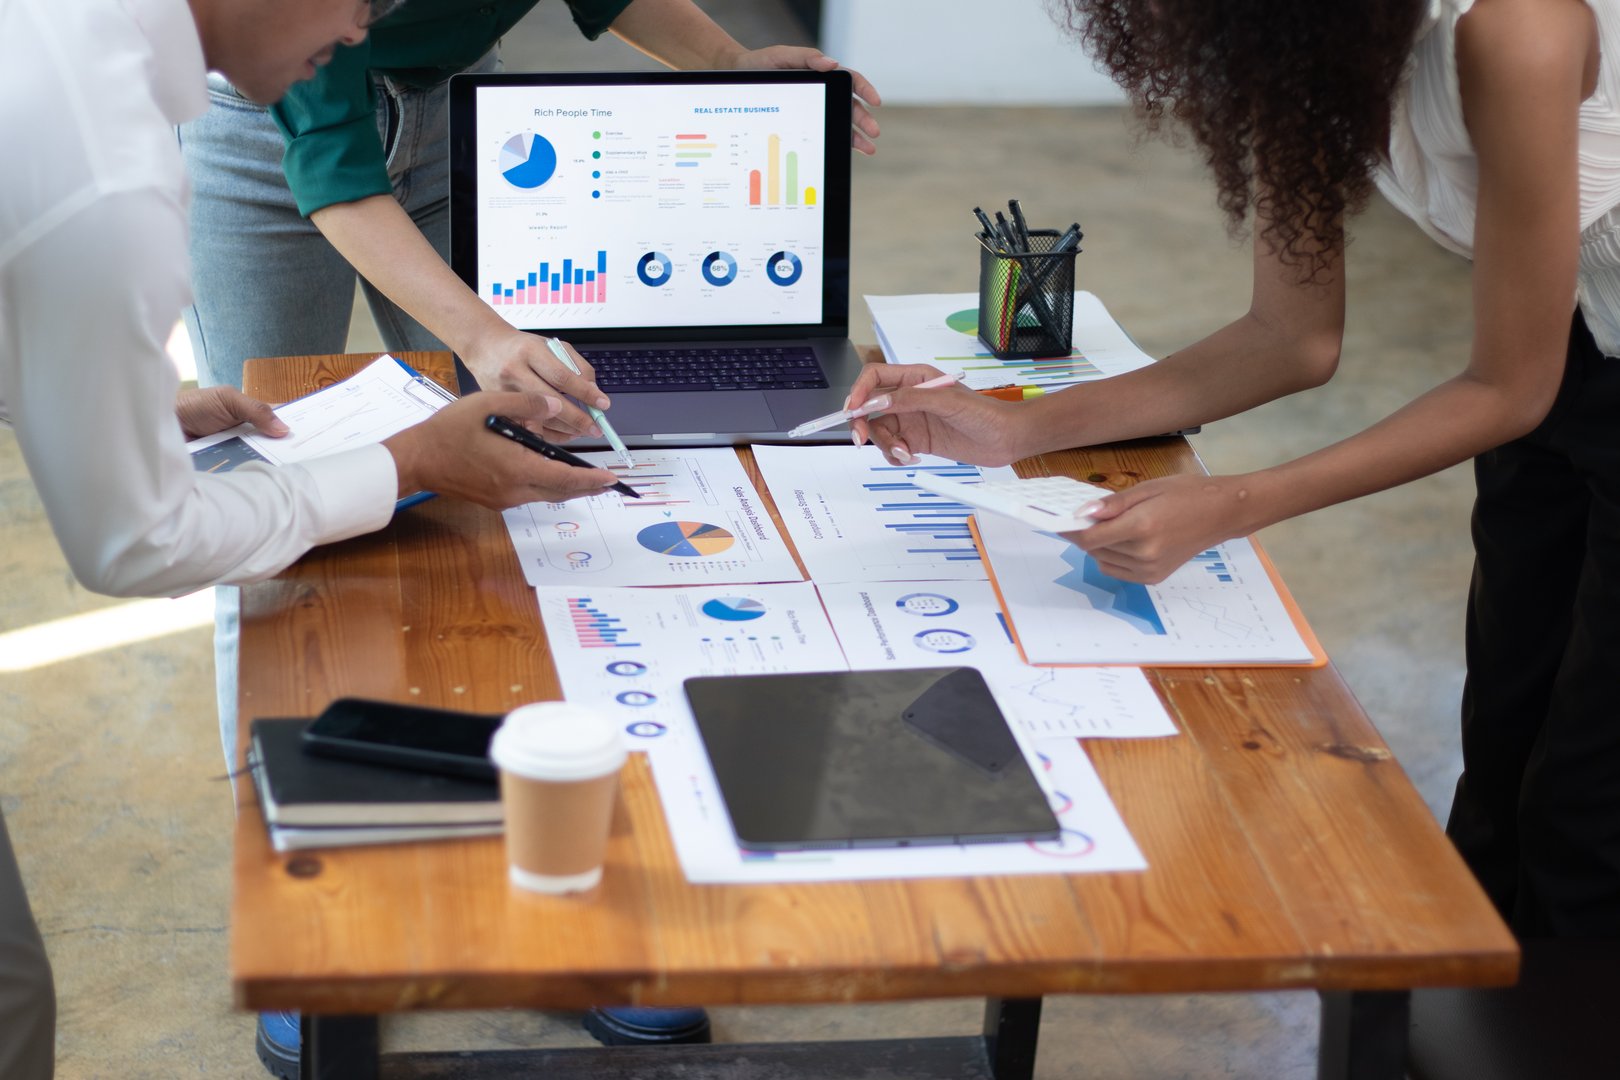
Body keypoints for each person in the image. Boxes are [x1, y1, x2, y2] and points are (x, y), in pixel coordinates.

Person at [850, 0, 1619, 938]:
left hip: (1547, 357)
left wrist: (1232, 503)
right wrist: (1019, 430)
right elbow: (1288, 337)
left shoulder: (1516, 29)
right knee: (1502, 751)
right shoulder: (1301, 39)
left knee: (1587, 816)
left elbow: (1507, 389)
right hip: (1567, 328)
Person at [0, 0, 620, 1074]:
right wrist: (408, 465)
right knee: (12, 1002)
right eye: (362, 1)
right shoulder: (112, 175)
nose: (378, 20)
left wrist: (118, 401)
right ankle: (314, 914)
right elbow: (137, 543)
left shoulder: (69, 62)